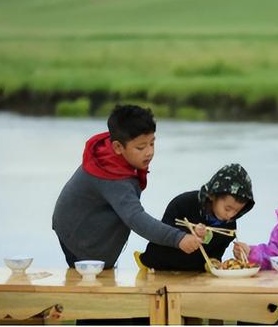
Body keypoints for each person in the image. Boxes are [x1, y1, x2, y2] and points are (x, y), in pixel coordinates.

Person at [52, 105, 202, 269]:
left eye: (152, 143)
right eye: (140, 147)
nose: (149, 152)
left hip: (84, 225)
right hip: (79, 235)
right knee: (93, 280)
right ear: (118, 147)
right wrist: (178, 238)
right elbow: (136, 218)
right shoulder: (110, 174)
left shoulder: (111, 156)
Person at [135, 164, 255, 271]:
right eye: (227, 208)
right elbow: (164, 233)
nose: (231, 215)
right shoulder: (184, 204)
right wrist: (189, 234)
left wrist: (215, 264)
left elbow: (215, 255)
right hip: (156, 266)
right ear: (213, 196)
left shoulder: (229, 227)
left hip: (194, 273)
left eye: (237, 211)